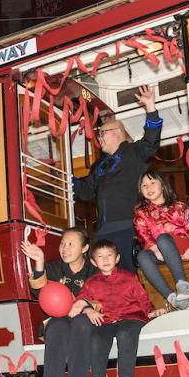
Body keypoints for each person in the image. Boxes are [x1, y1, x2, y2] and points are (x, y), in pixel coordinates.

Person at [73, 85, 162, 272]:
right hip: (103, 230)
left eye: (103, 133)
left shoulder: (133, 153)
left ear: (118, 133)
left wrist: (150, 107)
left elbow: (151, 141)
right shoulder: (100, 165)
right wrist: (67, 178)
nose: (100, 138)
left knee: (128, 273)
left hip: (127, 226)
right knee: (106, 276)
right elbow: (87, 191)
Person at [72, 240, 166, 377]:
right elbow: (81, 301)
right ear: (94, 262)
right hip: (106, 320)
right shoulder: (91, 283)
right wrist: (89, 310)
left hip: (131, 317)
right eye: (100, 257)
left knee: (125, 333)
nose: (105, 259)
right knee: (96, 338)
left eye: (109, 255)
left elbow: (143, 299)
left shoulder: (129, 278)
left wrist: (151, 311)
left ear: (117, 258)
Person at [22, 228, 98, 377]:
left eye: (71, 244)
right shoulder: (54, 267)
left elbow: (104, 298)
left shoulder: (93, 271)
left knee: (82, 323)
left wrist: (84, 304)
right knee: (57, 326)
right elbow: (40, 293)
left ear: (85, 248)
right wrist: (39, 261)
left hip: (83, 322)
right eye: (62, 244)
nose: (64, 248)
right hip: (58, 320)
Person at [133, 169, 189, 310]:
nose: (148, 187)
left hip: (181, 246)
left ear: (162, 185)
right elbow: (143, 234)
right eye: (143, 185)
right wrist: (155, 249)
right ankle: (171, 297)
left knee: (163, 238)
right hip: (159, 252)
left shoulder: (179, 207)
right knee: (142, 256)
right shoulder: (141, 212)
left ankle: (183, 285)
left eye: (152, 182)